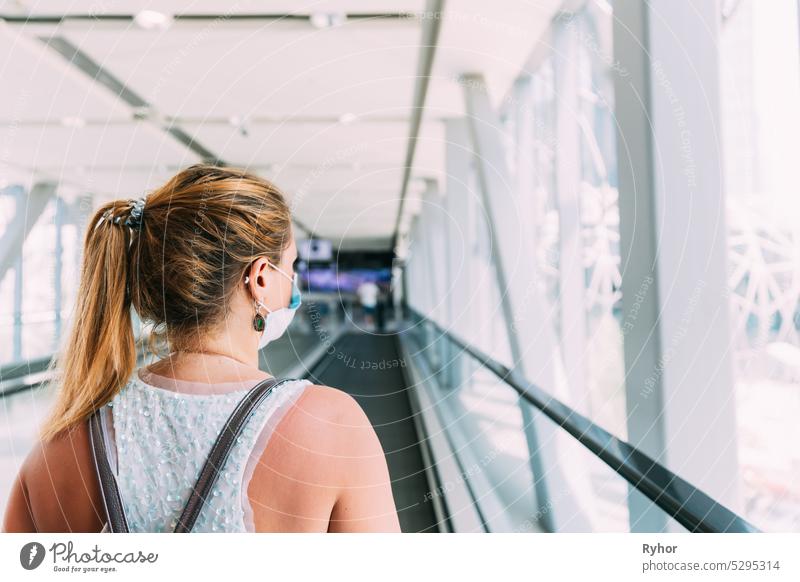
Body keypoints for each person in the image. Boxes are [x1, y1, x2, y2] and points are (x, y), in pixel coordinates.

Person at [2, 165, 401, 533]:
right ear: (260, 277)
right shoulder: (331, 425)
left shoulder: (62, 443)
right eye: (291, 269)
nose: (294, 288)